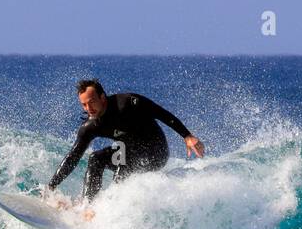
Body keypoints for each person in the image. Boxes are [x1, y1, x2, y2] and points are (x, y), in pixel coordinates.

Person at [46, 79, 204, 203]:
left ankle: (108, 207)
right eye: (84, 104)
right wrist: (51, 186)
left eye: (92, 101)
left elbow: (160, 113)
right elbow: (73, 156)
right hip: (129, 152)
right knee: (95, 159)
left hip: (156, 153)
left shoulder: (128, 103)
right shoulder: (91, 126)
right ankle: (87, 206)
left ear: (102, 97)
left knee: (121, 171)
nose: (88, 108)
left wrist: (187, 136)